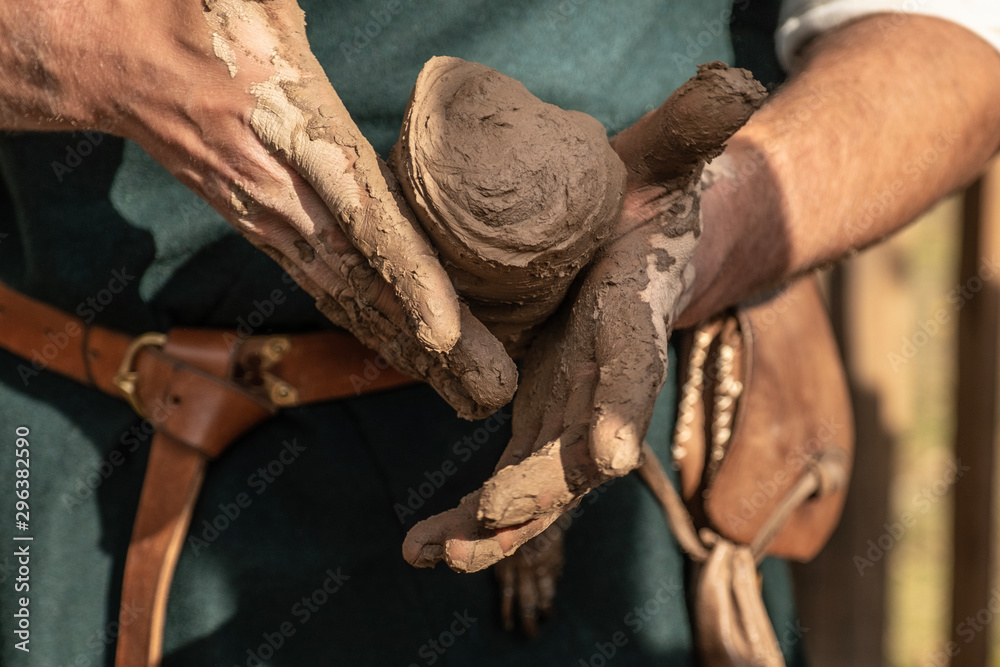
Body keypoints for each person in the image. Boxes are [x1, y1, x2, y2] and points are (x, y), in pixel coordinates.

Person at [0, 1, 997, 665]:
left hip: (593, 461)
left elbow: (946, 40)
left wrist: (702, 233)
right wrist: (79, 50)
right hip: (68, 440)